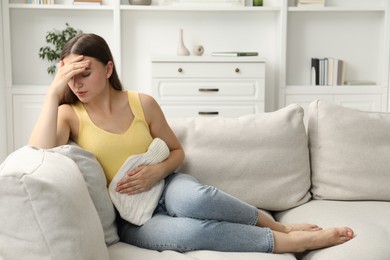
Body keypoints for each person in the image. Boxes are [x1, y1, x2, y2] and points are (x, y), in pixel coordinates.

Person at [29, 33, 354, 254]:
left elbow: (176, 151)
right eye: (70, 76)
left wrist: (157, 172)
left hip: (167, 185)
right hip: (131, 217)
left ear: (108, 67)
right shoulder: (68, 114)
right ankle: (288, 243)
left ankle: (278, 226)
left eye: (84, 72)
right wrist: (53, 92)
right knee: (191, 233)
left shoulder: (142, 103)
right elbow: (38, 153)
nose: (77, 83)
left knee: (195, 199)